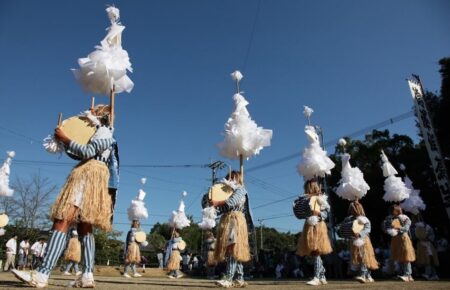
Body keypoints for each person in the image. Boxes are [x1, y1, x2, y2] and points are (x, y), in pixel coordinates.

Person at [12, 104, 119, 288]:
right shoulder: (103, 133)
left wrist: (66, 138)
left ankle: (42, 275)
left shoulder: (104, 132)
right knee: (85, 227)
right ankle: (87, 275)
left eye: (93, 111)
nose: (88, 113)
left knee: (62, 220)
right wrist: (63, 141)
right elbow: (81, 153)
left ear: (99, 116)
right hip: (93, 178)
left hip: (87, 178)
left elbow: (87, 152)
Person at [212, 170, 252, 288]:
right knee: (235, 249)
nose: (229, 181)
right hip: (228, 220)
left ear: (237, 179)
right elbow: (222, 208)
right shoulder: (228, 191)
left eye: (232, 178)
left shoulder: (240, 190)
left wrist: (217, 203)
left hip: (235, 220)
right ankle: (240, 278)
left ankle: (229, 278)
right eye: (228, 178)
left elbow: (231, 203)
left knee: (233, 248)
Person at [296, 179, 332, 286]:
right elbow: (299, 213)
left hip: (319, 225)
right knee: (313, 251)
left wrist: (319, 214)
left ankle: (317, 277)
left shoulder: (322, 199)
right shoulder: (305, 199)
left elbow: (326, 212)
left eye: (308, 187)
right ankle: (322, 276)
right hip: (309, 225)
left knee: (316, 250)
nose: (306, 189)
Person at [341, 201, 378, 283]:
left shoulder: (365, 219)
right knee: (358, 257)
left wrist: (360, 234)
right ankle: (368, 275)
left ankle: (363, 275)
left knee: (364, 256)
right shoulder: (347, 219)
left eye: (354, 209)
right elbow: (344, 229)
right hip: (354, 241)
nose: (353, 210)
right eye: (351, 209)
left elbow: (368, 229)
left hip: (364, 241)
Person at [383, 204, 416, 282]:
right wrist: (389, 230)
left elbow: (406, 228)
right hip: (395, 239)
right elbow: (386, 228)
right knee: (399, 257)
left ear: (398, 210)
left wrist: (397, 229)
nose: (391, 212)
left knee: (405, 256)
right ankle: (402, 274)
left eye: (393, 210)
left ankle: (408, 274)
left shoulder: (405, 218)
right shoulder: (390, 218)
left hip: (403, 238)